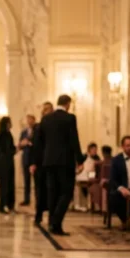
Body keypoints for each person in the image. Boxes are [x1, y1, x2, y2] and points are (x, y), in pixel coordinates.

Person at [32, 95, 83, 235]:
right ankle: (55, 222)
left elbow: (39, 143)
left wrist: (37, 161)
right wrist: (80, 160)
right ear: (67, 104)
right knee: (67, 192)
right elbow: (74, 140)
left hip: (48, 162)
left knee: (52, 192)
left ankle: (52, 224)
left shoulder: (46, 119)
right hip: (65, 162)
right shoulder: (70, 118)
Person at [30, 102, 53, 225]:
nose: (46, 111)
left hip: (52, 164)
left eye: (49, 109)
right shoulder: (38, 127)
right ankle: (38, 215)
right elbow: (35, 146)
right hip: (40, 164)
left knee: (51, 191)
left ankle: (51, 218)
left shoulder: (55, 127)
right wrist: (33, 163)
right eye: (45, 110)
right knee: (39, 191)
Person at [0, 117, 17, 214]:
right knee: (5, 184)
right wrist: (17, 148)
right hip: (5, 161)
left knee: (9, 183)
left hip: (7, 160)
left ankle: (9, 205)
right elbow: (7, 149)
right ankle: (2, 206)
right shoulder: (3, 135)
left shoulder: (7, 134)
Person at [73, 143, 101, 210]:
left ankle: (90, 205)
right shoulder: (84, 156)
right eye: (93, 149)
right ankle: (78, 205)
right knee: (76, 186)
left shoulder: (97, 158)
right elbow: (79, 166)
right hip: (81, 175)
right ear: (89, 150)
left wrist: (91, 177)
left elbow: (94, 170)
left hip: (91, 176)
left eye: (96, 149)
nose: (95, 151)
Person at [18, 114, 36, 206]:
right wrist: (22, 143)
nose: (29, 121)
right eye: (28, 119)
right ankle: (26, 199)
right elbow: (19, 145)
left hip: (35, 158)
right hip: (26, 158)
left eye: (30, 119)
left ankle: (39, 199)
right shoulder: (24, 132)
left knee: (37, 180)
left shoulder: (37, 130)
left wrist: (30, 142)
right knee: (26, 180)